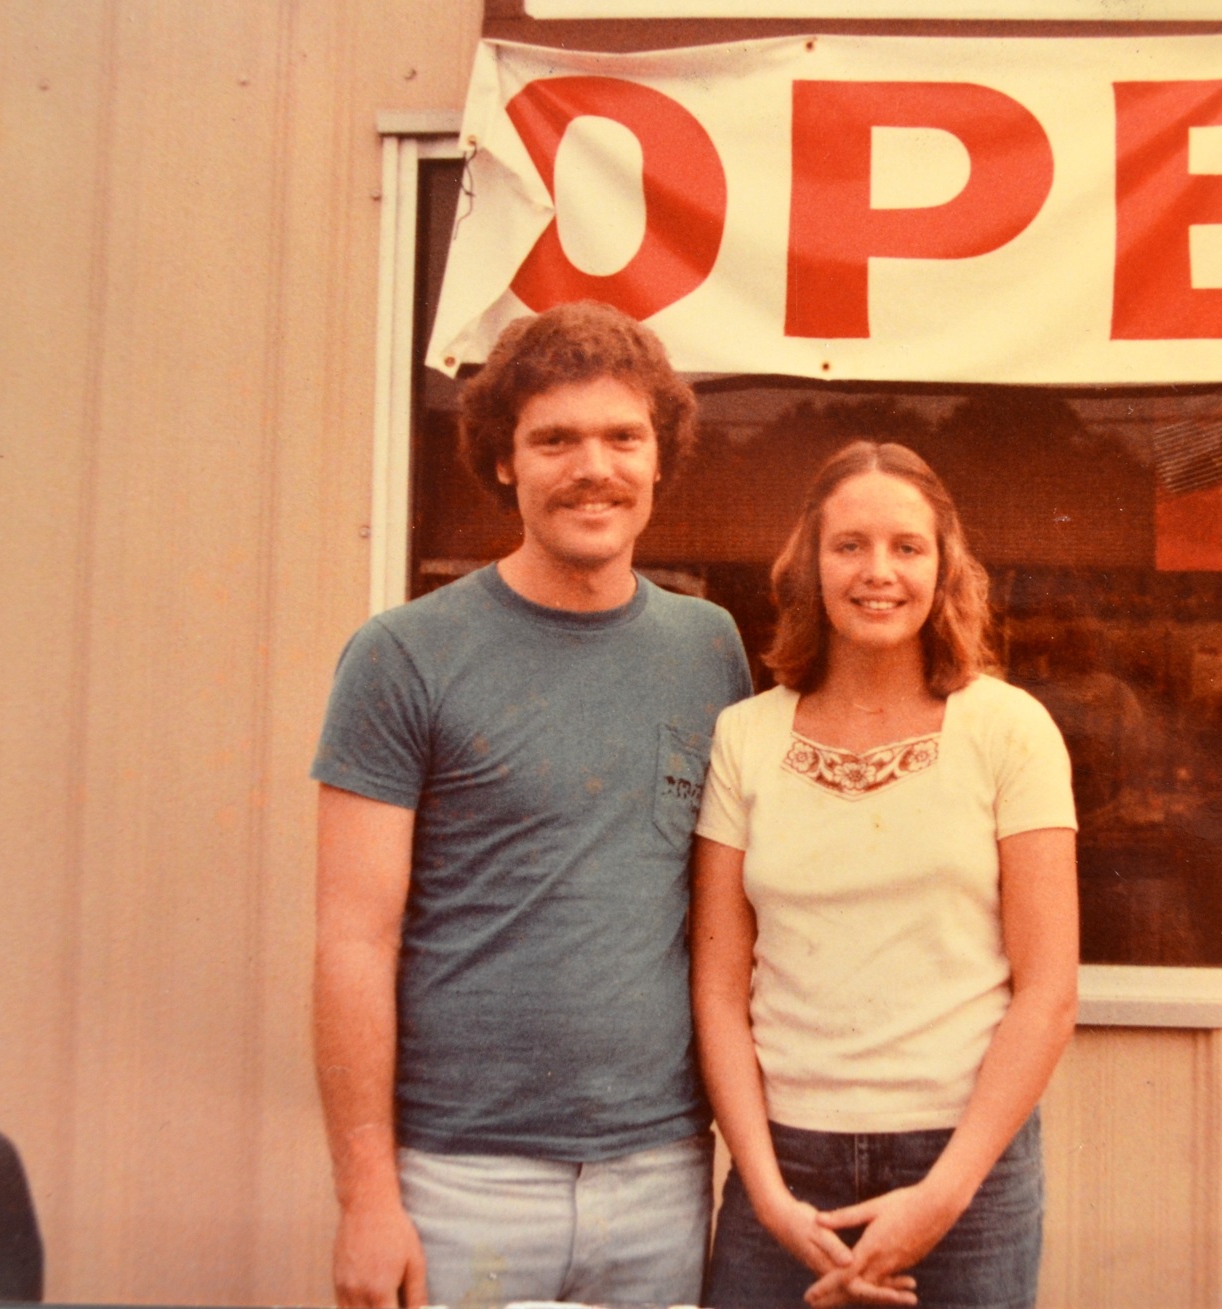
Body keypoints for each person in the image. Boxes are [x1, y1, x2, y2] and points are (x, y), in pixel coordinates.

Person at [310, 301, 752, 1308]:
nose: (591, 466)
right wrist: (365, 1194)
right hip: (461, 1179)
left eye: (621, 437)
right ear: (503, 460)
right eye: (554, 438)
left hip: (660, 1170)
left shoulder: (709, 647)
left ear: (657, 457)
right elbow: (351, 939)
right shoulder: (402, 654)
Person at [693, 441, 1079, 1309]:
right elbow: (718, 988)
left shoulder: (1010, 729)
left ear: (944, 566)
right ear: (810, 564)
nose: (879, 572)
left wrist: (940, 1197)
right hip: (787, 1165)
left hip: (964, 1167)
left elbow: (1048, 990)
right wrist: (763, 1189)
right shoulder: (746, 737)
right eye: (849, 545)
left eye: (907, 546)